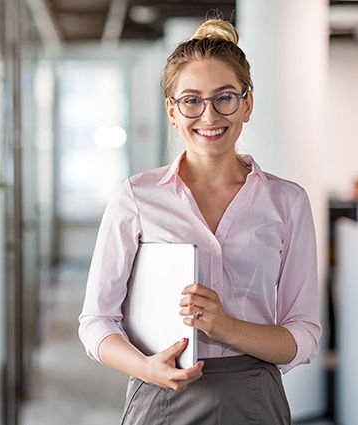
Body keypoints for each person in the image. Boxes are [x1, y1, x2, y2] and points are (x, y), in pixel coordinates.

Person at [79, 18, 321, 425]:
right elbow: (96, 322)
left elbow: (304, 336)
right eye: (191, 100)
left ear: (247, 103)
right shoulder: (137, 197)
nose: (208, 115)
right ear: (172, 111)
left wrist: (226, 326)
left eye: (224, 97)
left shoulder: (287, 202)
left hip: (254, 400)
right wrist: (146, 369)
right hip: (161, 395)